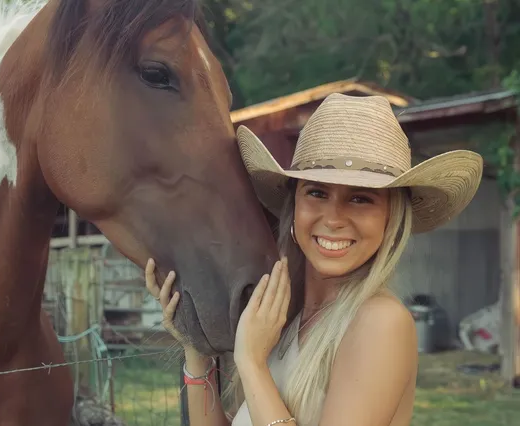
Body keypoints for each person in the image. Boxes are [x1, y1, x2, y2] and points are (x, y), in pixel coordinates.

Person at [144, 93, 483, 426]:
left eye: (361, 199)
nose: (333, 218)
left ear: (390, 220)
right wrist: (196, 350)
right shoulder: (284, 319)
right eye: (317, 192)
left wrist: (251, 362)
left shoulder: (380, 323)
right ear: (293, 209)